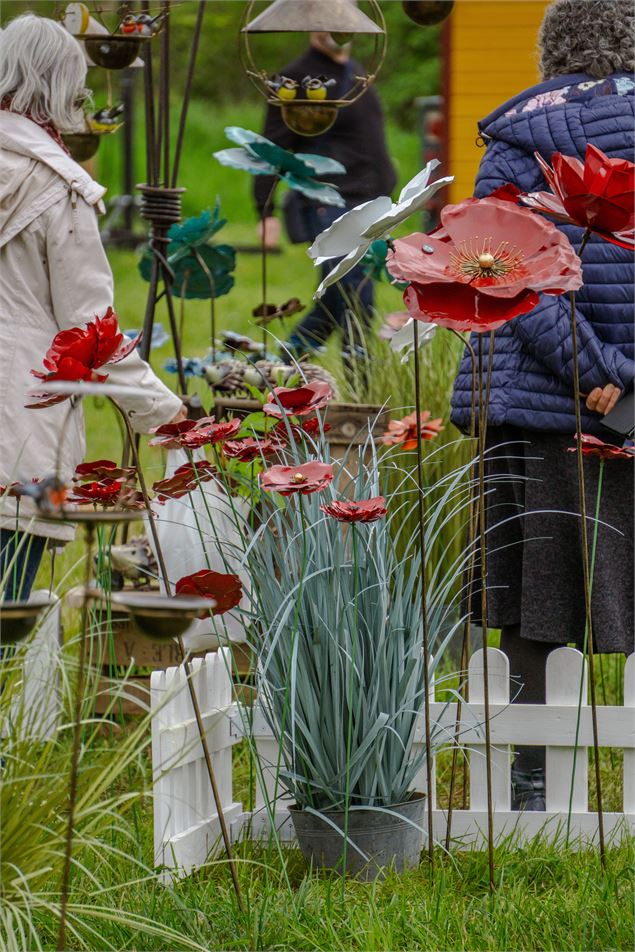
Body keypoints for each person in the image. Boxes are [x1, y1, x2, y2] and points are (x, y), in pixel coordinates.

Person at [450, 0, 634, 809]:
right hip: (619, 404)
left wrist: (593, 373)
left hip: (539, 402)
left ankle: (529, 779)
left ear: (549, 53)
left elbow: (499, 274)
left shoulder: (516, 141)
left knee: (532, 596)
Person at [0, 15, 185, 601]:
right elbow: (92, 333)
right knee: (6, 607)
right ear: (63, 89)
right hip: (21, 434)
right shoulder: (61, 189)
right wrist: (162, 410)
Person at [254, 31, 396, 363]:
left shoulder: (357, 71)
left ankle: (280, 369)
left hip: (369, 209)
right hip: (331, 205)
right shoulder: (295, 80)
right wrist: (265, 210)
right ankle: (363, 397)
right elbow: (270, 150)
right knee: (357, 302)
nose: (337, 28)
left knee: (335, 304)